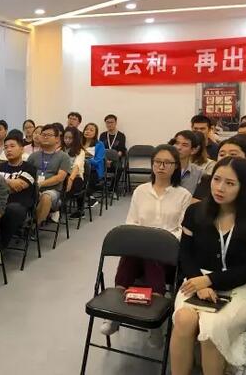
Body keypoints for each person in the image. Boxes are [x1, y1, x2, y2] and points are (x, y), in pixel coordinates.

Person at [170, 157, 246, 375]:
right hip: (196, 278)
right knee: (184, 320)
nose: (220, 188)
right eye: (216, 179)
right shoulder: (195, 211)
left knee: (212, 328)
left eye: (230, 183)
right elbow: (186, 254)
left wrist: (210, 281)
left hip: (241, 286)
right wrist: (199, 282)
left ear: (244, 187)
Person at [101, 145, 192, 347]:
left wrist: (158, 240)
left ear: (176, 166)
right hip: (139, 249)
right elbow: (131, 222)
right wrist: (145, 239)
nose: (161, 166)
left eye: (167, 163)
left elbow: (181, 228)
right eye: (157, 162)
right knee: (135, 252)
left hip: (168, 253)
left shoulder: (183, 195)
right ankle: (115, 315)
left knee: (152, 251)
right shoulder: (141, 191)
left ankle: (154, 323)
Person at [193, 136, 246, 241]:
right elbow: (194, 217)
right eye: (222, 154)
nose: (226, 158)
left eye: (233, 154)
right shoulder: (207, 180)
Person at [0, 134, 37, 249]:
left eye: (12, 146)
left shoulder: (29, 168)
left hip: (19, 205)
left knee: (11, 209)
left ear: (22, 149)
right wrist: (9, 182)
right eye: (6, 147)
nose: (8, 150)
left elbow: (18, 186)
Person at [27, 124, 71, 225]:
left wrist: (40, 184)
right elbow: (26, 173)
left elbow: (60, 177)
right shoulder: (33, 156)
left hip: (53, 191)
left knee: (46, 197)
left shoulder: (64, 157)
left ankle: (34, 227)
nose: (45, 137)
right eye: (43, 135)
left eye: (49, 135)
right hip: (33, 189)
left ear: (57, 139)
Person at [63, 126, 87, 219]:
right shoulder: (60, 149)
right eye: (65, 137)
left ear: (75, 139)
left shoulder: (80, 151)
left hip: (75, 177)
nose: (67, 140)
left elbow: (76, 166)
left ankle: (80, 210)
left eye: (70, 138)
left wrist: (70, 179)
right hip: (62, 175)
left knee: (67, 186)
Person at [170, 130, 203, 194]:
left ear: (193, 150)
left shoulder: (199, 173)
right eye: (177, 143)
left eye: (184, 145)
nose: (178, 148)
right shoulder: (163, 168)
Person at [83, 123, 105, 208]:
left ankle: (89, 197)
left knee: (88, 175)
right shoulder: (80, 143)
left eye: (91, 130)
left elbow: (97, 161)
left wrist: (86, 157)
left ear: (95, 133)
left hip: (94, 170)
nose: (88, 131)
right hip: (80, 169)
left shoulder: (99, 144)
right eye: (86, 129)